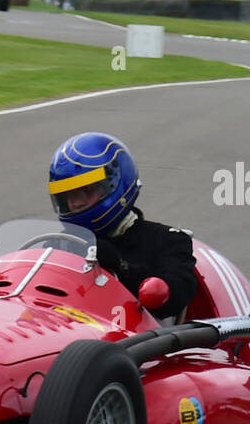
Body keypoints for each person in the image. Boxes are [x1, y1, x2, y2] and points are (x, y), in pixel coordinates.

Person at [48, 131, 196, 320]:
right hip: (66, 330)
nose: (76, 203)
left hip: (134, 342)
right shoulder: (61, 244)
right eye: (68, 196)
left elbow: (172, 299)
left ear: (115, 184)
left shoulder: (168, 241)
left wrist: (120, 267)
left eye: (85, 191)